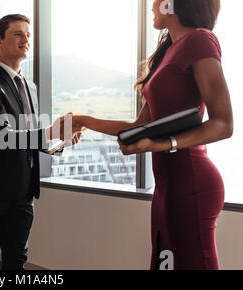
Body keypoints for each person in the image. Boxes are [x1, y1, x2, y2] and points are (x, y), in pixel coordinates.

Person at [73, 0, 232, 270]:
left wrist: (161, 144)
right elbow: (138, 127)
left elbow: (223, 124)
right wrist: (83, 120)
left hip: (191, 182)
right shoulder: (169, 52)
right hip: (167, 186)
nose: (152, 5)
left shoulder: (200, 41)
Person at [0, 14, 82, 270]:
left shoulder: (30, 87)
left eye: (28, 34)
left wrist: (60, 144)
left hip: (23, 194)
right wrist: (48, 131)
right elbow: (1, 136)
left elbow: (31, 138)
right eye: (18, 34)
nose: (26, 39)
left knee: (16, 260)